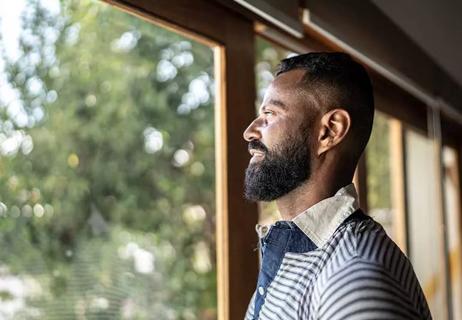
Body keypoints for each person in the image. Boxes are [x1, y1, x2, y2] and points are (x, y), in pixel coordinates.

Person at [243, 52, 431, 320]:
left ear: (330, 131)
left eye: (270, 113)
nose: (249, 131)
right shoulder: (298, 254)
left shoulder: (354, 280)